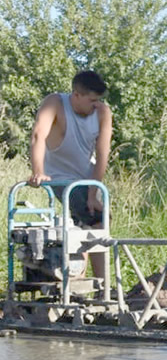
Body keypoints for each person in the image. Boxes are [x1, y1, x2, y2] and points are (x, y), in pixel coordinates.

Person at [27, 70, 113, 278]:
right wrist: (38, 171)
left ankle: (95, 286)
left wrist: (93, 193)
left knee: (95, 223)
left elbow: (103, 154)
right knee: (96, 221)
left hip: (87, 176)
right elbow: (39, 135)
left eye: (98, 100)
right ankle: (86, 283)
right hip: (59, 176)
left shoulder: (102, 112)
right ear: (76, 95)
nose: (96, 105)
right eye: (92, 100)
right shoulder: (55, 103)